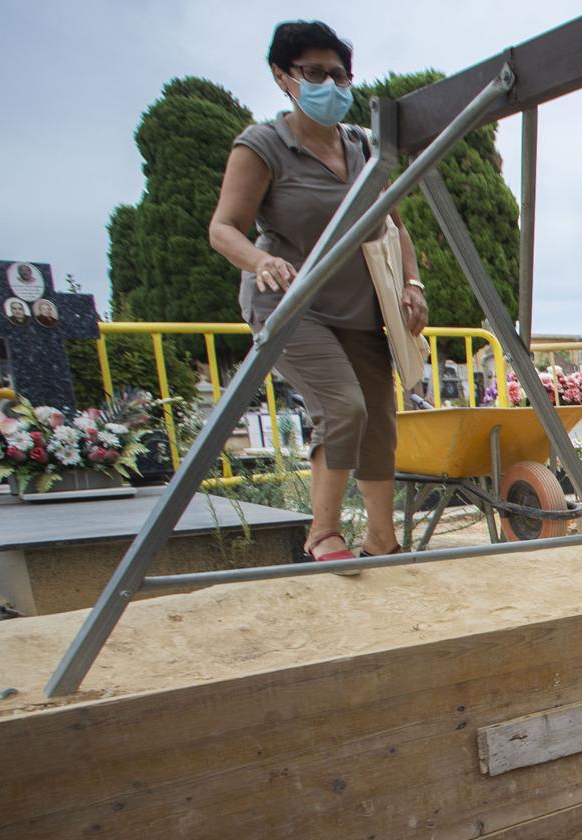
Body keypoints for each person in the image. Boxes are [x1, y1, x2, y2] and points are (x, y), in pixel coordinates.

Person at [210, 20, 427, 563]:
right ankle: (323, 533)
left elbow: (395, 226)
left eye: (338, 73)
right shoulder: (263, 146)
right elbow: (224, 228)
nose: (329, 83)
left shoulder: (365, 149)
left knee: (379, 420)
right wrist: (260, 260)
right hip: (293, 307)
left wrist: (413, 283)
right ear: (284, 77)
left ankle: (382, 538)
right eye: (313, 72)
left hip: (360, 309)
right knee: (343, 407)